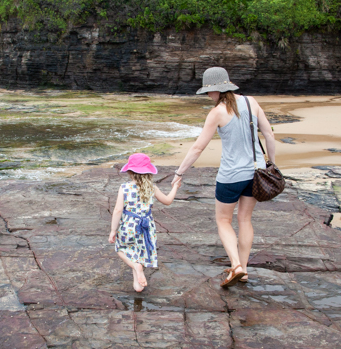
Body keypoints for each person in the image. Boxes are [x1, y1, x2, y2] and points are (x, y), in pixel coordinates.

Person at [171, 67, 276, 287]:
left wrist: (179, 172)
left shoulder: (217, 112)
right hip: (255, 174)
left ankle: (236, 266)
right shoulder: (251, 102)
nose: (208, 96)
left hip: (230, 177)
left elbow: (198, 147)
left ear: (218, 90)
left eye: (209, 92)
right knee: (245, 219)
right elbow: (268, 134)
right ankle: (244, 271)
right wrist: (271, 164)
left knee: (223, 220)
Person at [109, 153, 182, 292]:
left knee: (120, 249)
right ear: (148, 172)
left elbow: (118, 210)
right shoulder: (152, 188)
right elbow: (167, 201)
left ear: (130, 171)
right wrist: (175, 188)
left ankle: (136, 268)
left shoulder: (124, 188)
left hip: (129, 225)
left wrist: (113, 230)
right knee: (139, 251)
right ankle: (137, 280)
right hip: (146, 226)